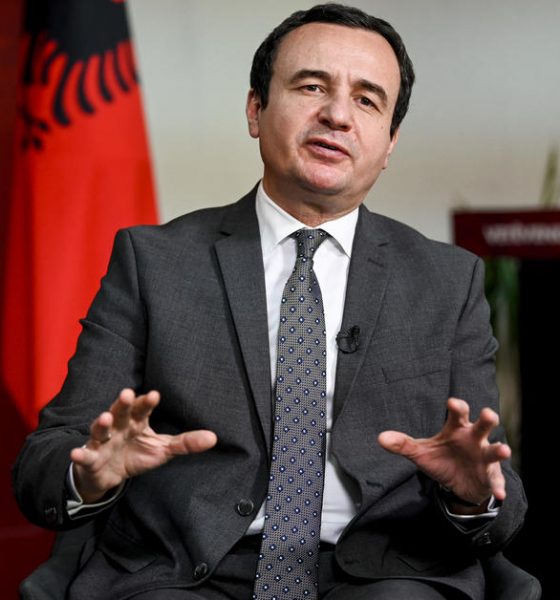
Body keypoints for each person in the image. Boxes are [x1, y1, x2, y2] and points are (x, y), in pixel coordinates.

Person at [13, 4, 526, 600]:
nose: (337, 115)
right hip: (185, 572)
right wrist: (89, 473)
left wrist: (473, 495)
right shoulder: (154, 262)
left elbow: (497, 486)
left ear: (389, 142)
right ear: (255, 109)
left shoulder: (447, 280)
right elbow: (46, 459)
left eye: (367, 100)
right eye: (312, 87)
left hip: (386, 570)